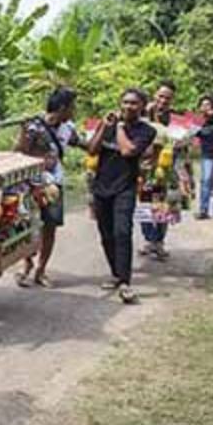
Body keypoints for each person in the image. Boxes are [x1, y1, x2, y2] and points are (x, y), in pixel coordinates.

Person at [86, 88, 157, 304]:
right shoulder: (108, 125)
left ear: (143, 106)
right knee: (106, 234)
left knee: (122, 232)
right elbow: (92, 150)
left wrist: (118, 128)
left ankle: (125, 282)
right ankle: (116, 274)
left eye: (134, 103)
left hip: (124, 188)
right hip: (101, 187)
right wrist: (103, 127)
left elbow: (127, 151)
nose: (128, 106)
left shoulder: (146, 131)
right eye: (125, 102)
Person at [15, 87, 81, 288]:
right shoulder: (34, 126)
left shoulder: (68, 127)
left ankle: (41, 270)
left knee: (49, 227)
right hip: (31, 183)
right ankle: (25, 264)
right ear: (62, 108)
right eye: (72, 107)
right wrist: (24, 133)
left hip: (55, 183)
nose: (74, 111)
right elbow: (19, 152)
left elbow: (82, 143)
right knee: (26, 223)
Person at [139, 81, 178, 260]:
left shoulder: (175, 119)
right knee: (145, 204)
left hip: (165, 167)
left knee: (163, 204)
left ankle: (159, 242)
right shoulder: (141, 112)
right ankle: (149, 240)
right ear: (154, 95)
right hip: (144, 167)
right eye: (161, 96)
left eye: (167, 98)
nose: (163, 101)